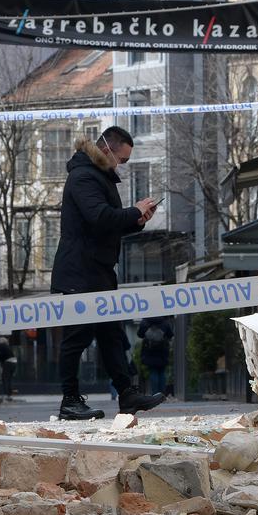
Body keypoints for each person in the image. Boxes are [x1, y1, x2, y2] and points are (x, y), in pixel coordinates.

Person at [50, 127, 169, 421]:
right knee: (77, 336)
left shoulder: (98, 175)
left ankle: (127, 393)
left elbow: (107, 224)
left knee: (111, 334)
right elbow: (100, 217)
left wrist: (137, 220)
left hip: (97, 270)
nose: (122, 165)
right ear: (107, 149)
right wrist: (133, 212)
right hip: (80, 272)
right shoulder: (83, 176)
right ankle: (69, 400)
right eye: (122, 159)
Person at [136, 316, 174, 397]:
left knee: (153, 371)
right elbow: (170, 334)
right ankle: (162, 394)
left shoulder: (145, 321)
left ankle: (155, 394)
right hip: (162, 350)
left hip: (149, 350)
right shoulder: (165, 322)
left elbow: (140, 334)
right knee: (162, 372)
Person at [0, 335, 17, 401]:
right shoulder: (7, 346)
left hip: (8, 363)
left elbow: (1, 355)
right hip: (14, 362)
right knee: (9, 379)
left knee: (5, 378)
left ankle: (5, 394)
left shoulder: (1, 346)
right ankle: (9, 395)